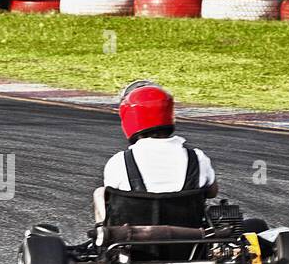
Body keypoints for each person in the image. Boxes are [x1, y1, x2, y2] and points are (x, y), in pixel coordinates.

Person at [93, 80, 217, 221]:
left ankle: (101, 237)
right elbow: (212, 192)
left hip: (132, 238)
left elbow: (113, 197)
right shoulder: (197, 157)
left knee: (100, 193)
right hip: (190, 237)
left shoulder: (119, 161)